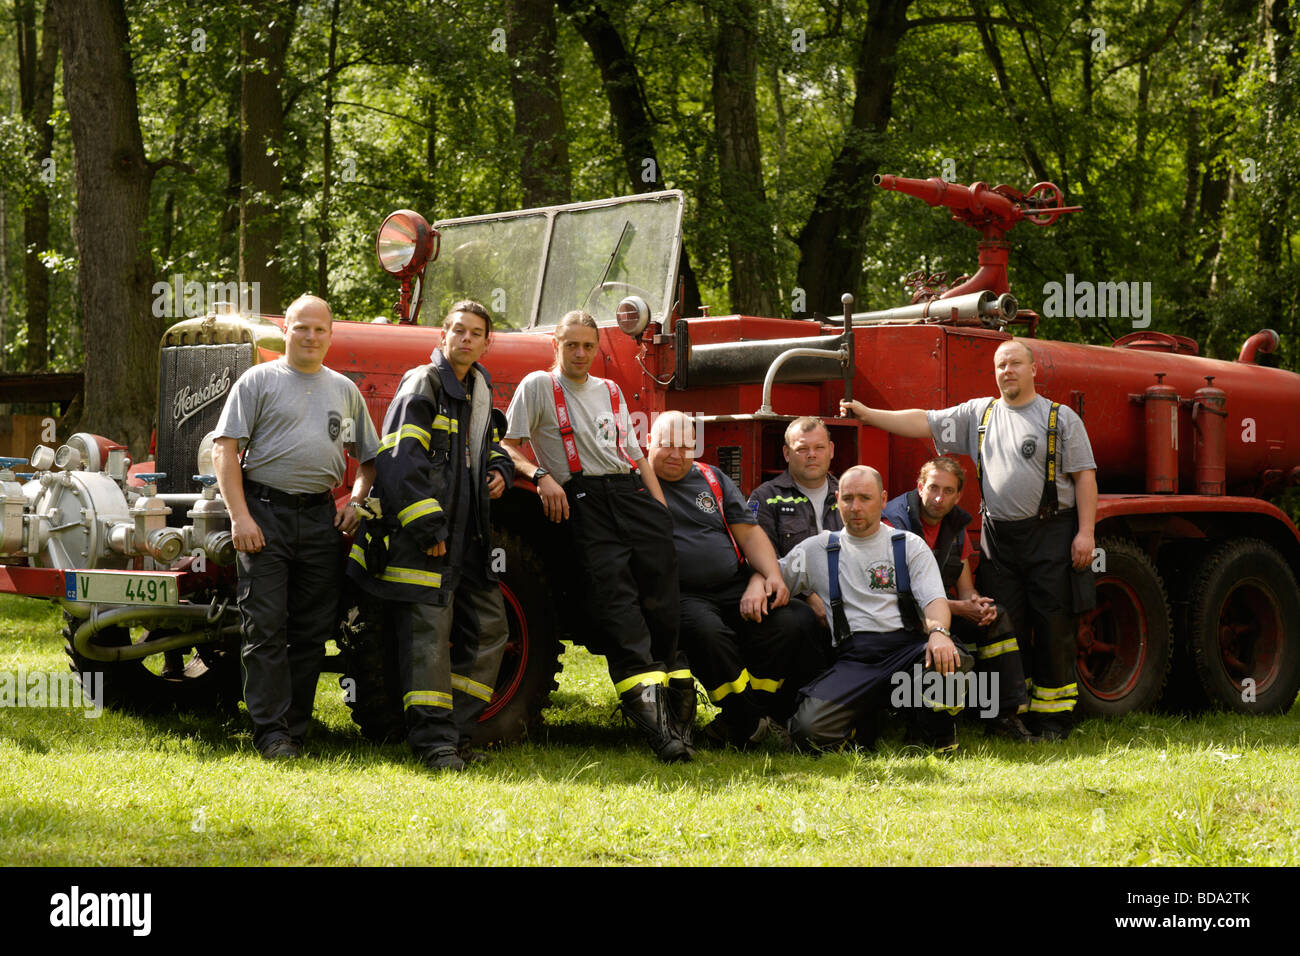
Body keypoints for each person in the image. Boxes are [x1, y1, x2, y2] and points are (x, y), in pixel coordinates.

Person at [841, 337, 1097, 740]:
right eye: (1000, 366)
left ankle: (1054, 719)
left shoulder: (1060, 418)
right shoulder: (980, 413)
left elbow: (1085, 476)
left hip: (1051, 532)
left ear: (1033, 370)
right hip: (1000, 536)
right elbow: (922, 421)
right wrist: (869, 414)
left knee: (1053, 626)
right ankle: (1005, 715)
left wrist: (1085, 532)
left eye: (1014, 364)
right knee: (999, 625)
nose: (1007, 371)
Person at [503, 310, 691, 762]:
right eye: (572, 345)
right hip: (584, 499)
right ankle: (658, 730)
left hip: (632, 496)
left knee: (663, 604)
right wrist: (541, 475)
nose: (581, 353)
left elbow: (633, 453)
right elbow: (507, 444)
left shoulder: (609, 390)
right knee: (618, 606)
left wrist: (659, 510)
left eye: (588, 345)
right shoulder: (538, 387)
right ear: (557, 346)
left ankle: (680, 713)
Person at [346, 300, 514, 771]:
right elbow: (399, 460)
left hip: (470, 541)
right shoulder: (423, 383)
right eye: (457, 330)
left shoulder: (479, 388)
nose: (465, 338)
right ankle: (434, 744)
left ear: (486, 342)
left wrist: (499, 469)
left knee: (492, 630)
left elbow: (490, 445)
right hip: (428, 539)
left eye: (475, 332)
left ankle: (456, 730)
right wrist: (427, 527)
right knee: (427, 641)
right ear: (442, 336)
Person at [213, 293, 378, 760]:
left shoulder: (343, 391)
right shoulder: (258, 381)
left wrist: (357, 502)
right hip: (264, 515)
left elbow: (369, 460)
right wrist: (240, 516)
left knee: (310, 631)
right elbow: (225, 450)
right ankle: (270, 732)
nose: (309, 336)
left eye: (319, 329)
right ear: (286, 330)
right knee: (264, 628)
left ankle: (296, 729)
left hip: (322, 519)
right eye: (301, 327)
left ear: (330, 334)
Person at [648, 411, 822, 749]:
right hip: (681, 593)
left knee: (796, 619)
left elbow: (750, 534)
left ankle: (750, 716)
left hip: (732, 584)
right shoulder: (637, 484)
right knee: (709, 635)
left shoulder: (711, 478)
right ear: (649, 443)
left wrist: (771, 576)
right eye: (666, 445)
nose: (675, 454)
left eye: (685, 446)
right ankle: (748, 719)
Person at [780, 466, 965, 752]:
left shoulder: (908, 546)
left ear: (882, 499)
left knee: (955, 659)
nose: (856, 507)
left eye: (865, 498)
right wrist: (758, 582)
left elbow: (933, 599)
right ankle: (862, 721)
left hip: (906, 652)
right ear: (837, 499)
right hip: (855, 661)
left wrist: (939, 632)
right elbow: (773, 577)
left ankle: (934, 731)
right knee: (807, 731)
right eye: (848, 498)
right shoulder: (817, 549)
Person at [881, 456, 1034, 740]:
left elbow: (965, 588)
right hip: (900, 618)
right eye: (933, 488)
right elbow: (894, 596)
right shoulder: (894, 521)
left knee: (995, 615)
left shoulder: (955, 525)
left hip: (942, 613)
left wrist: (975, 605)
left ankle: (1003, 718)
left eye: (948, 491)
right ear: (920, 487)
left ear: (958, 495)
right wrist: (959, 609)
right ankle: (926, 719)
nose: (939, 498)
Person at [748, 417, 843, 632]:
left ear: (831, 450)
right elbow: (764, 559)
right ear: (786, 453)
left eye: (819, 447)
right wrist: (809, 597)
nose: (812, 455)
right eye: (802, 449)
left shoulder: (848, 495)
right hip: (795, 598)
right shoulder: (765, 498)